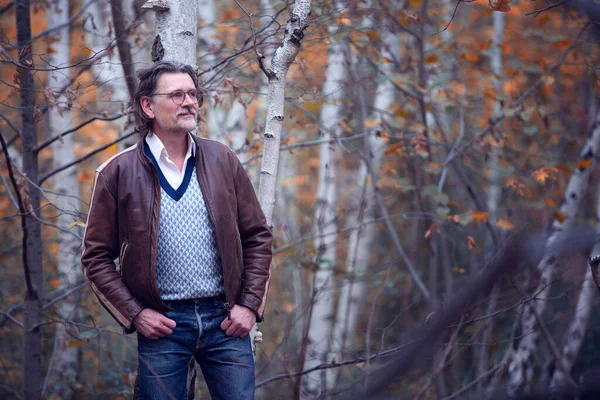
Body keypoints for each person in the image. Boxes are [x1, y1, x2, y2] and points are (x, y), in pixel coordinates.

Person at [81, 61, 272, 399]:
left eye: (192, 94)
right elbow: (95, 258)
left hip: (226, 322)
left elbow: (257, 237)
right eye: (176, 94)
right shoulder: (117, 172)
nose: (189, 102)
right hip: (163, 327)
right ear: (147, 105)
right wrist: (136, 315)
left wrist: (249, 305)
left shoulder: (222, 160)